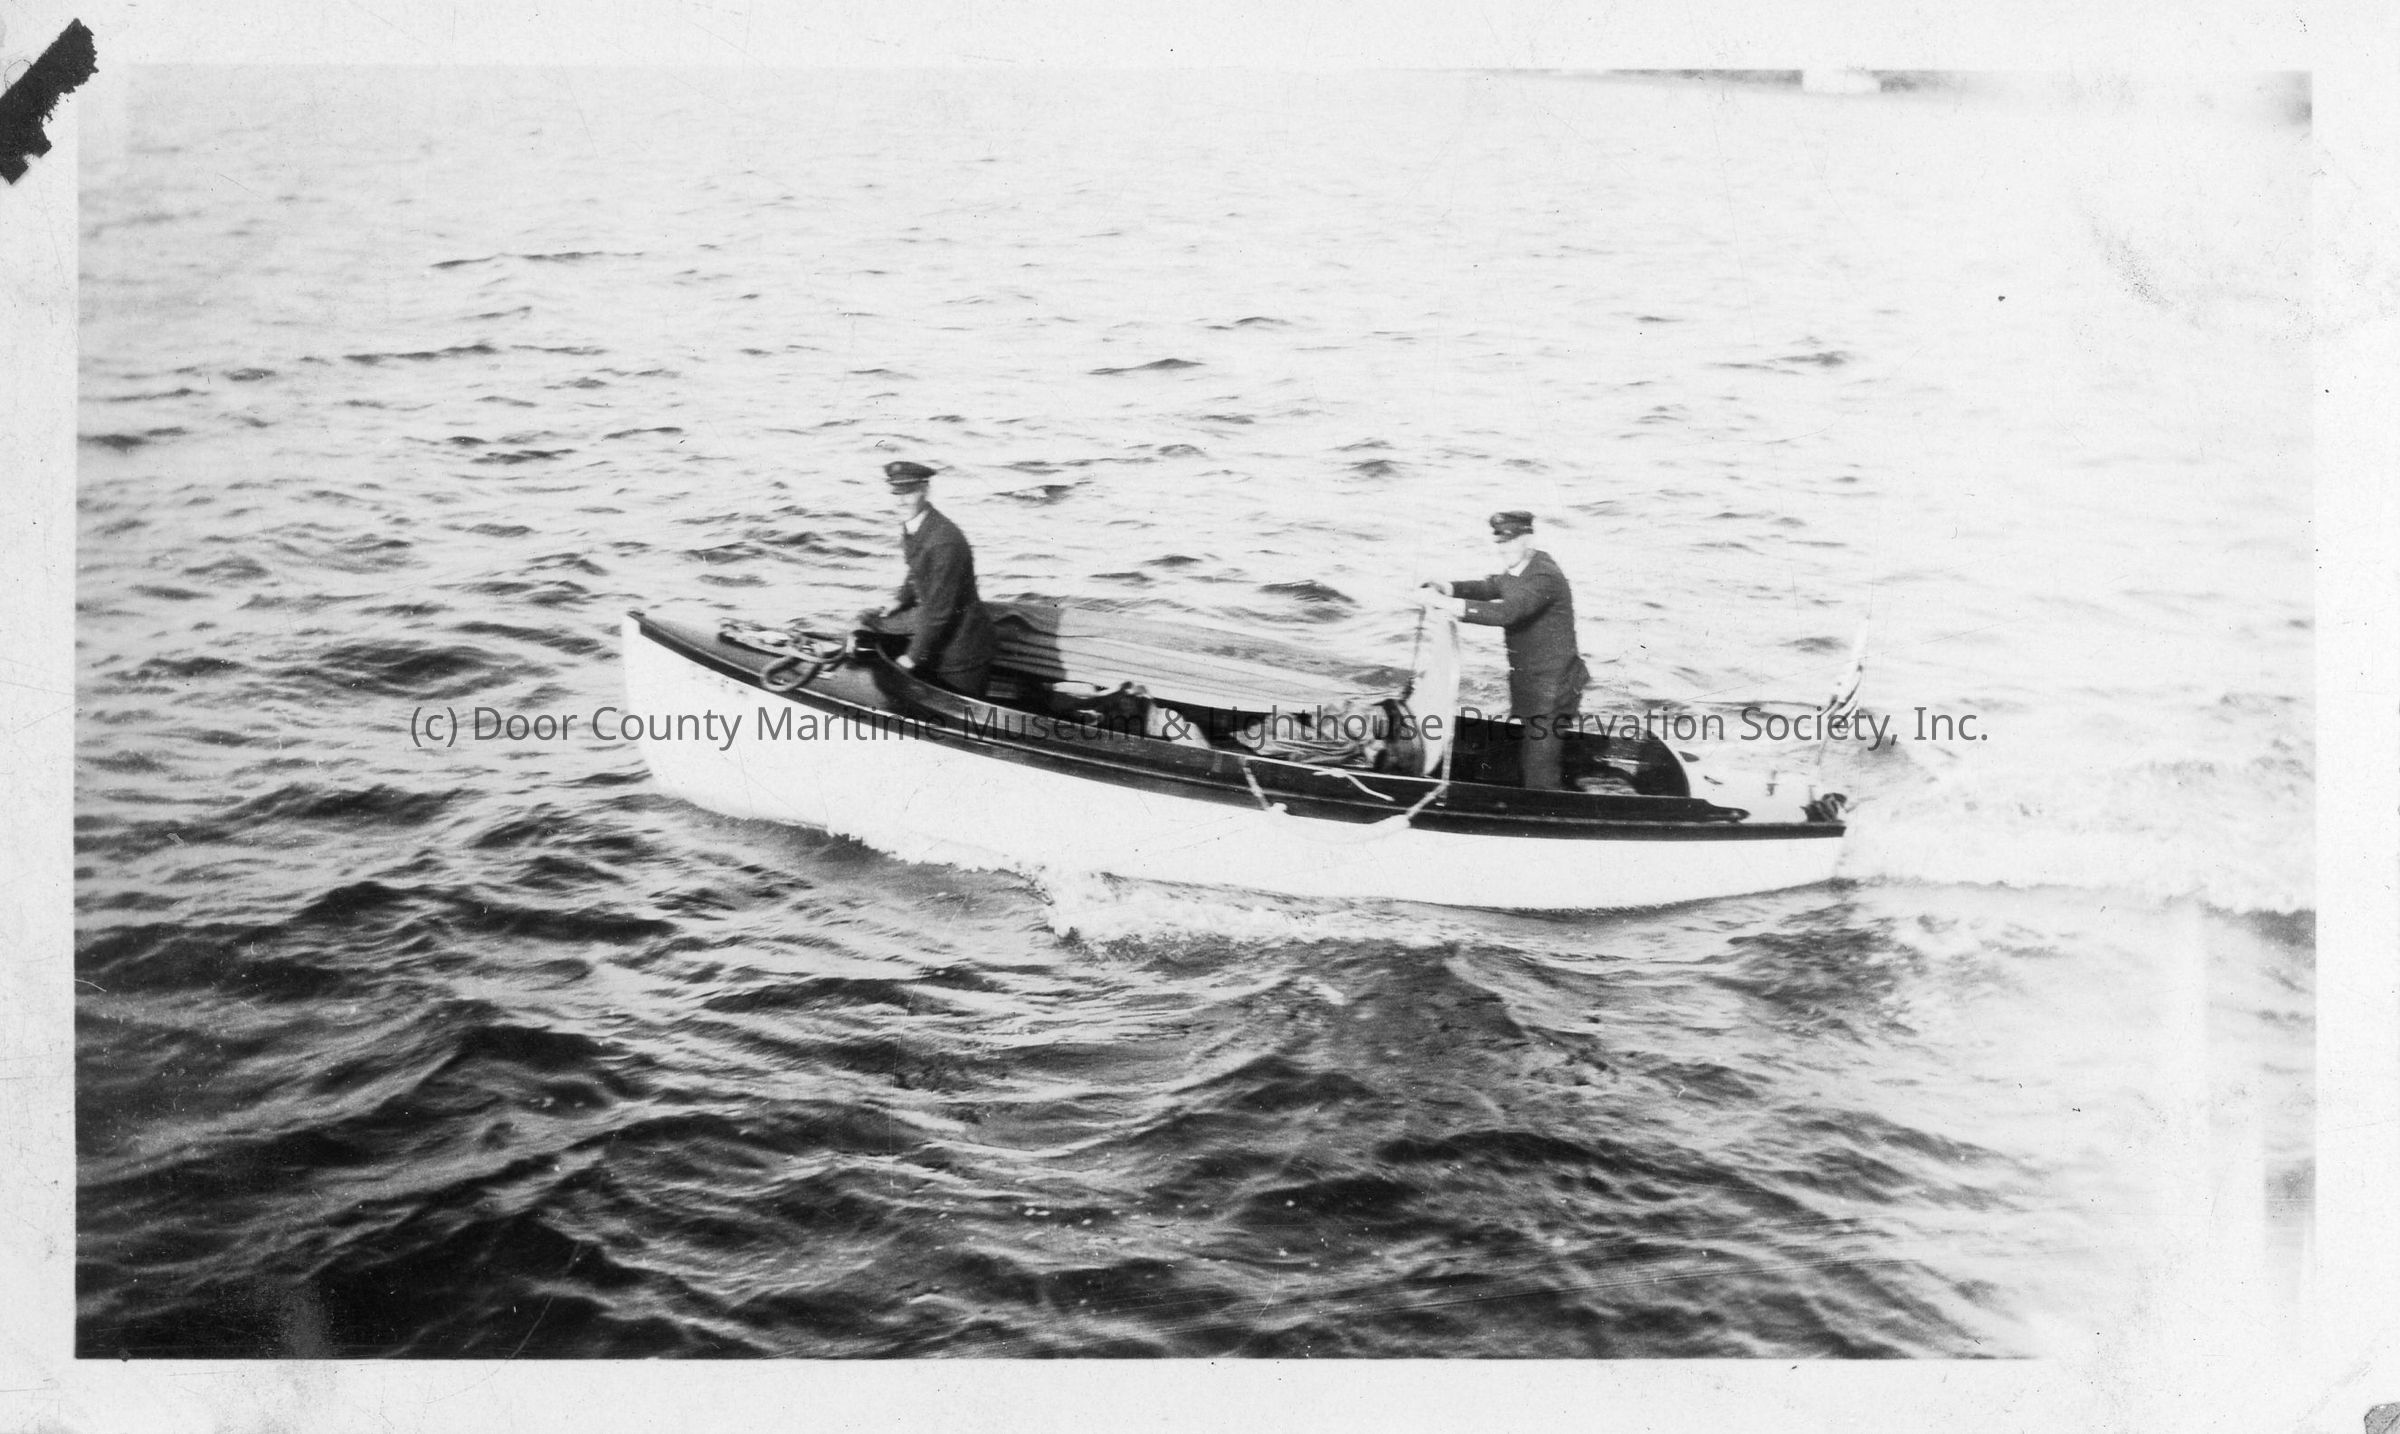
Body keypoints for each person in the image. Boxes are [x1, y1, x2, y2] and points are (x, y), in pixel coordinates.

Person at [1418, 510, 1589, 790]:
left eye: (1510, 541)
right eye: (1500, 542)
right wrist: (1448, 588)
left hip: (1553, 690)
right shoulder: (1521, 568)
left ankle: (1542, 808)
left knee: (1539, 769)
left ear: (1528, 539)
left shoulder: (1544, 575)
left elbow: (1508, 612)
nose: (1503, 549)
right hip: (1532, 686)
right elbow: (1490, 587)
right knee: (1524, 754)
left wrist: (1446, 605)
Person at [862, 460, 997, 697]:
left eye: (909, 492)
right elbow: (918, 567)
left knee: (958, 713)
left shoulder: (944, 541)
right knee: (868, 621)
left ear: (925, 490)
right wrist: (900, 599)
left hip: (962, 651)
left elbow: (938, 612)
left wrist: (910, 658)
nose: (901, 500)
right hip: (938, 636)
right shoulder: (917, 524)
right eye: (896, 493)